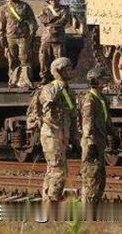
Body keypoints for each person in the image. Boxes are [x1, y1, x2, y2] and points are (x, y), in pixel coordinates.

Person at [39, 57, 75, 203]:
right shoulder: (49, 88)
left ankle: (48, 200)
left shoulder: (69, 91)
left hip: (62, 135)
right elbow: (49, 105)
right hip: (51, 134)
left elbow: (72, 113)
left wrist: (73, 136)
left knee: (55, 169)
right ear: (59, 71)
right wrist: (60, 86)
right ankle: (52, 202)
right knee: (58, 170)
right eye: (68, 69)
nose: (71, 72)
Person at [79, 66, 113, 204]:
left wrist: (112, 133)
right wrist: (90, 142)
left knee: (100, 176)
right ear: (94, 81)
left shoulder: (103, 98)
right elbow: (87, 122)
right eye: (102, 79)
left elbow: (106, 118)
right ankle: (88, 206)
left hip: (100, 140)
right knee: (91, 175)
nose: (105, 81)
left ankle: (95, 204)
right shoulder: (90, 99)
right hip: (91, 142)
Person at [0, 0, 38, 88]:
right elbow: (2, 24)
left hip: (23, 37)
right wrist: (1, 37)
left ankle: (25, 79)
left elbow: (32, 20)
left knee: (24, 58)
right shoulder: (5, 8)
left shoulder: (25, 6)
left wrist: (32, 30)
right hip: (10, 37)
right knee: (12, 59)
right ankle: (13, 79)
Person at [38, 0, 71, 85]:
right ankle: (45, 77)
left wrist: (51, 22)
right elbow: (43, 19)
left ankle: (60, 77)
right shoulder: (45, 9)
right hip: (47, 38)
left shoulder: (64, 9)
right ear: (49, 0)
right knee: (44, 58)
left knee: (60, 60)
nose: (54, 0)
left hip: (59, 38)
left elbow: (64, 21)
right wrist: (54, 19)